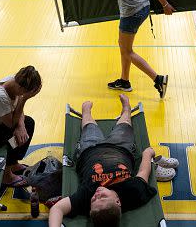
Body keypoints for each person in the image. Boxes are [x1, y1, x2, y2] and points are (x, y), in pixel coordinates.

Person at [48, 94, 158, 227]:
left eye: (94, 200)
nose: (97, 194)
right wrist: (147, 154)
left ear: (89, 209)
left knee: (89, 128)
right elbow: (143, 173)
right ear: (118, 201)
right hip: (121, 148)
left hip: (90, 150)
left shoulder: (85, 197)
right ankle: (126, 108)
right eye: (103, 197)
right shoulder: (133, 192)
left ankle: (86, 111)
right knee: (124, 125)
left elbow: (57, 209)